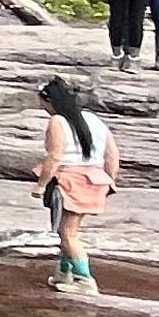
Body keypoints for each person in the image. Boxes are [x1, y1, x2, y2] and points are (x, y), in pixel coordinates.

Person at [36, 73, 119, 293]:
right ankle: (64, 273)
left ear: (48, 101)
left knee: (68, 233)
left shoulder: (57, 121)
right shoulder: (92, 118)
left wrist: (41, 185)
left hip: (69, 181)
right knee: (69, 229)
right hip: (95, 178)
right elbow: (112, 154)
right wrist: (110, 180)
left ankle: (85, 280)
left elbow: (54, 155)